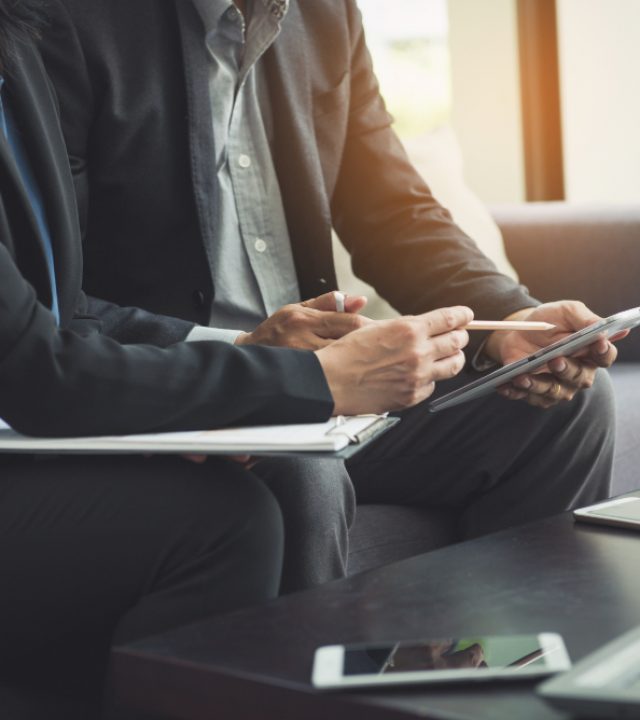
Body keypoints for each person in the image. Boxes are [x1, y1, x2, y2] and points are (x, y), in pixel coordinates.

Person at [39, 0, 618, 594]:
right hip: (179, 389)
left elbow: (393, 214)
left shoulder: (324, 15)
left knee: (565, 409)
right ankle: (297, 686)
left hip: (330, 385)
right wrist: (246, 355)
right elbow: (52, 301)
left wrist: (512, 319)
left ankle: (513, 674)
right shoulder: (68, 22)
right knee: (300, 471)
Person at [0, 2, 473, 716]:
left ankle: (490, 686)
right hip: (76, 406)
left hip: (151, 381)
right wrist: (295, 382)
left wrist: (508, 320)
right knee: (238, 515)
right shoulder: (66, 29)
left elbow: (55, 316)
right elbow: (43, 362)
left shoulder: (18, 49)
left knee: (553, 406)